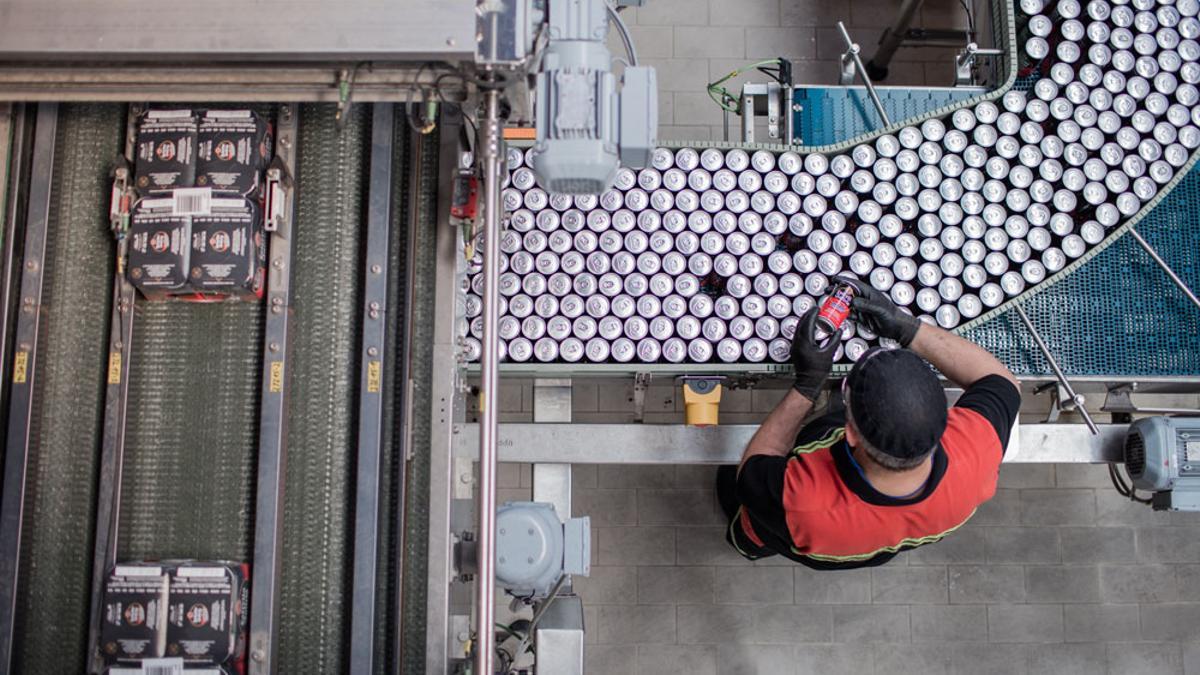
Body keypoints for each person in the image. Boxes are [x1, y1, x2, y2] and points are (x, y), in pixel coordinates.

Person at [718, 276, 1021, 569]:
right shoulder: (976, 452)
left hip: (802, 535)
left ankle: (747, 545)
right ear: (943, 418)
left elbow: (757, 463)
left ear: (849, 433)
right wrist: (905, 327)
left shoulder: (801, 504)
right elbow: (1003, 382)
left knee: (751, 523)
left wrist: (806, 387)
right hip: (882, 540)